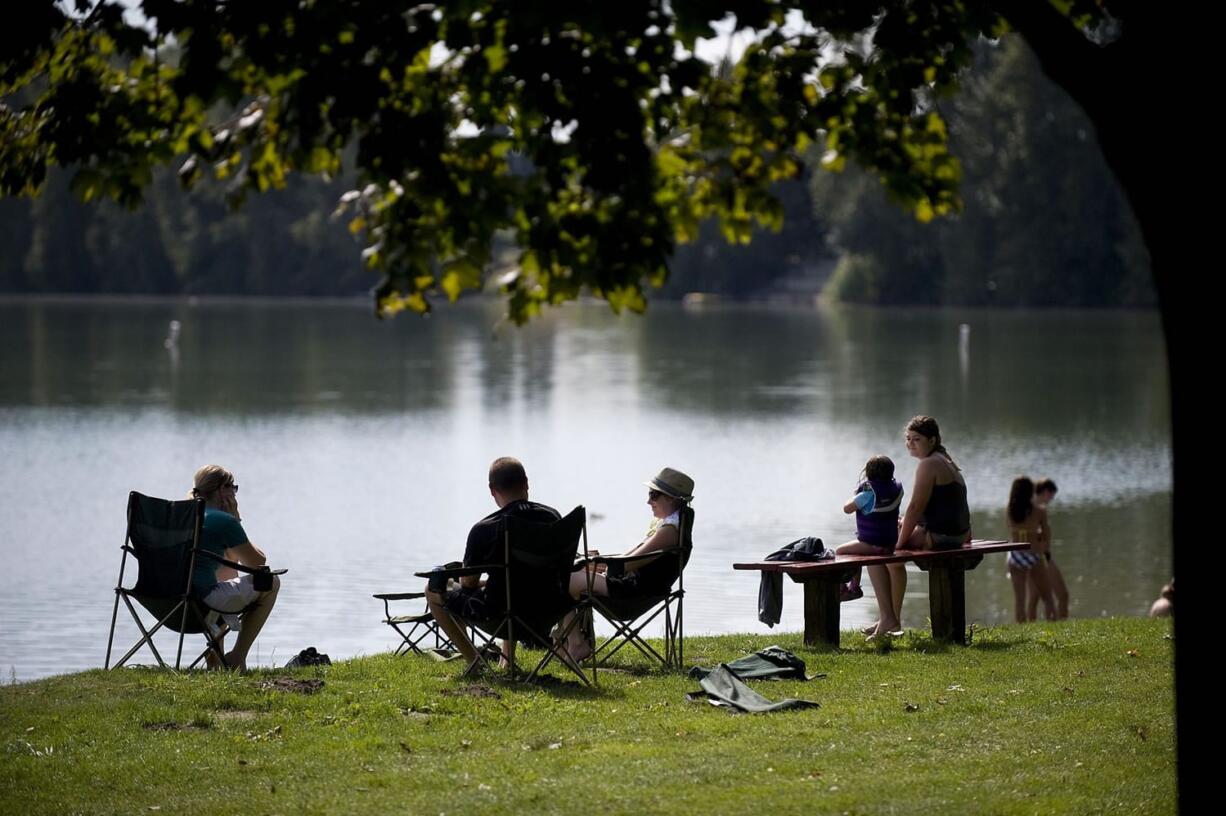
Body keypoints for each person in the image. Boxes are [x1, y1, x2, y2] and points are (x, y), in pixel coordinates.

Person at [424, 457, 560, 666]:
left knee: (432, 588)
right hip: (548, 610)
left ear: (492, 490)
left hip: (499, 616)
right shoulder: (553, 518)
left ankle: (474, 661)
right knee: (508, 586)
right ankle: (507, 661)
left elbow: (468, 583)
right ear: (526, 483)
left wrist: (483, 583)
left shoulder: (485, 529)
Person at [558, 467, 695, 662]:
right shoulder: (672, 524)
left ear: (672, 498)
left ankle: (577, 644)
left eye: (654, 495)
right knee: (575, 570)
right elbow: (629, 558)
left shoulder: (669, 532)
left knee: (565, 580)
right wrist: (593, 562)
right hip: (636, 585)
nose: (649, 501)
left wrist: (595, 563)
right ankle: (570, 643)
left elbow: (627, 564)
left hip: (634, 593)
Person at [864, 416, 971, 639]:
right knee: (892, 553)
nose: (911, 443)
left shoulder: (929, 464)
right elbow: (931, 508)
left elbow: (914, 507)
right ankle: (889, 618)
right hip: (953, 534)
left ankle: (889, 618)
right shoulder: (944, 459)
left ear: (932, 440)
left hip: (941, 536)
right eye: (908, 439)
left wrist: (900, 541)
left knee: (878, 548)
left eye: (917, 439)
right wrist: (905, 524)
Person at [189, 465, 280, 672]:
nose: (235, 492)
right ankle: (237, 656)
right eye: (233, 487)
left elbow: (232, 560)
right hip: (200, 601)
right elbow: (257, 564)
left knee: (225, 571)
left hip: (167, 600)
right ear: (222, 490)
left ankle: (216, 652)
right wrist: (236, 519)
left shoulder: (184, 514)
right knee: (271, 582)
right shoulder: (223, 521)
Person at [835, 456, 903, 614]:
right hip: (890, 543)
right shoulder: (896, 490)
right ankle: (853, 586)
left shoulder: (867, 494)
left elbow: (847, 509)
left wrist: (855, 495)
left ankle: (851, 587)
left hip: (871, 544)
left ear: (869, 474)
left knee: (840, 551)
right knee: (856, 552)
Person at [1005, 476, 1055, 623]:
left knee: (1020, 599)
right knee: (1047, 597)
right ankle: (1053, 624)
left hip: (1015, 555)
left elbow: (1010, 527)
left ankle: (1022, 629)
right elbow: (1047, 535)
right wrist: (1039, 538)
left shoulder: (1009, 510)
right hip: (1033, 554)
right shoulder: (1039, 511)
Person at [1034, 478, 1069, 619]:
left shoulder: (1035, 508)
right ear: (1046, 491)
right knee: (1061, 595)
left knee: (1036, 598)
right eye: (1051, 496)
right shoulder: (1036, 510)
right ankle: (1059, 624)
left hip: (1042, 556)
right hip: (1041, 557)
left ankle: (1054, 625)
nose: (1051, 500)